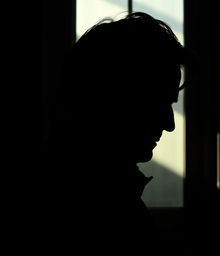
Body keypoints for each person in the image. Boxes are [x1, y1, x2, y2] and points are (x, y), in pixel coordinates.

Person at [45, 11, 189, 255]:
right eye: (157, 102)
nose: (169, 124)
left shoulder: (77, 194)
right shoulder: (111, 211)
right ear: (109, 99)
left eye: (170, 103)